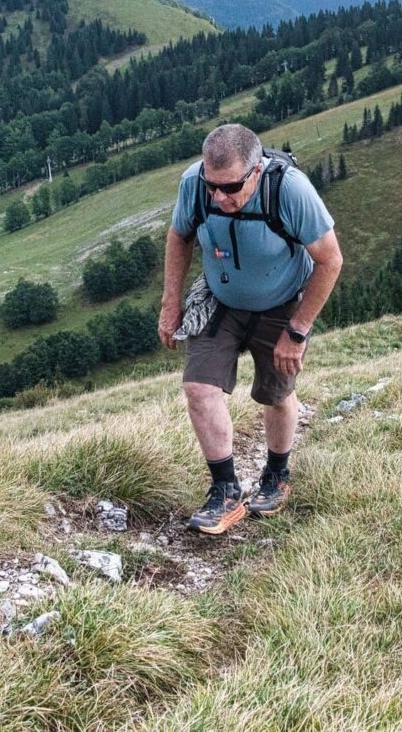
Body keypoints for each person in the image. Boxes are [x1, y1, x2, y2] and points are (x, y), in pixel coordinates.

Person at [159, 123, 344, 535]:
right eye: (212, 187)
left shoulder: (290, 190)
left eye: (230, 188)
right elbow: (178, 236)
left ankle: (277, 475)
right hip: (220, 297)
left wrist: (296, 332)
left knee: (275, 394)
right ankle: (225, 489)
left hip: (282, 302)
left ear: (256, 171)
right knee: (198, 388)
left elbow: (330, 261)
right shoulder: (195, 184)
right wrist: (171, 302)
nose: (219, 198)